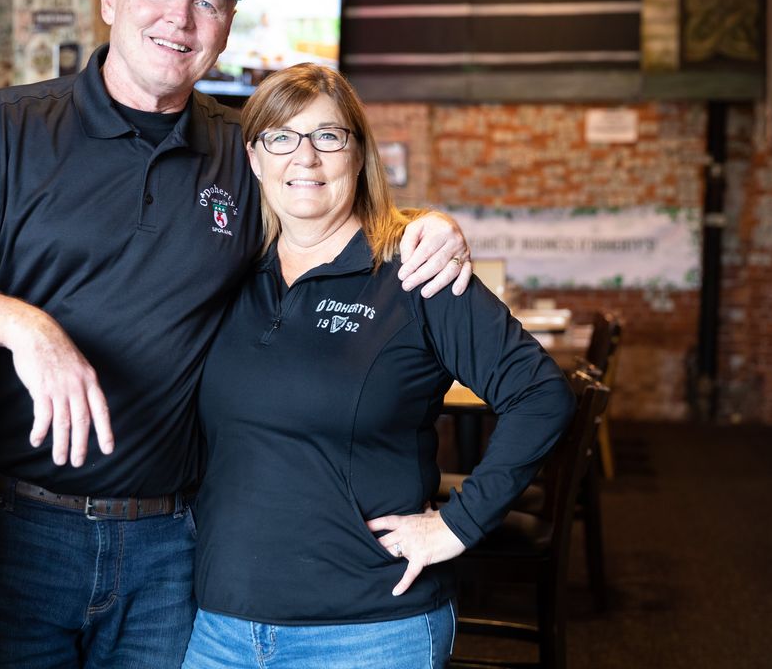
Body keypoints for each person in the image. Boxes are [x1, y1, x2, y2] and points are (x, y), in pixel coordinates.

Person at [0, 0, 472, 667]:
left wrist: (428, 223)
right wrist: (28, 328)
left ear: (225, 28)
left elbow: (332, 203)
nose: (179, 18)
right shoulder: (6, 130)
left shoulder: (240, 152)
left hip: (172, 543)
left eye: (207, 2)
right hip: (17, 528)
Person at [183, 64, 575, 669]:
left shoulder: (415, 272)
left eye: (328, 136)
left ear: (359, 153)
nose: (305, 158)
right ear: (255, 158)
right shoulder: (228, 272)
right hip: (220, 625)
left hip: (367, 631)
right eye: (280, 138)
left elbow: (541, 394)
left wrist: (457, 525)